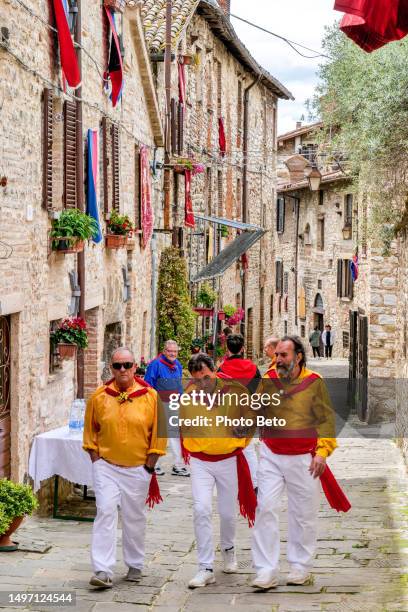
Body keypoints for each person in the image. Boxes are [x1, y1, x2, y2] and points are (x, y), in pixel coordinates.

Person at [251, 336, 350, 590]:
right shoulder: (269, 379)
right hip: (271, 454)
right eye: (278, 355)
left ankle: (300, 567)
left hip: (304, 458)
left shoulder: (313, 383)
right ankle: (266, 570)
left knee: (303, 514)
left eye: (284, 355)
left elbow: (326, 420)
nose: (278, 359)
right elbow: (256, 409)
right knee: (265, 507)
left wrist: (322, 452)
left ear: (298, 357)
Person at [83, 347, 167, 589]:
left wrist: (148, 467)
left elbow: (159, 434)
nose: (122, 370)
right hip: (106, 466)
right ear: (111, 368)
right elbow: (90, 432)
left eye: (127, 365)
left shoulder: (150, 396)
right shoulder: (99, 397)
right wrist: (96, 460)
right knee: (105, 512)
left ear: (134, 368)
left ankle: (135, 563)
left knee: (134, 517)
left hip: (137, 468)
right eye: (117, 365)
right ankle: (102, 569)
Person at [181, 353, 257, 589]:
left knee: (227, 512)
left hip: (228, 459)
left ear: (214, 371)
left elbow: (252, 419)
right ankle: (205, 567)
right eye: (197, 379)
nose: (202, 383)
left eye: (205, 377)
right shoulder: (189, 395)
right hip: (200, 461)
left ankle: (229, 550)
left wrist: (242, 433)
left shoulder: (236, 391)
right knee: (201, 508)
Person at [217, 333, 260, 488]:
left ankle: (231, 482)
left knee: (228, 448)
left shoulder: (222, 369)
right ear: (243, 349)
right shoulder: (253, 368)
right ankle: (254, 483)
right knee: (248, 449)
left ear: (227, 349)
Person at [144, 340, 188, 477]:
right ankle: (155, 465)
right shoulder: (155, 365)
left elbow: (179, 385)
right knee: (158, 435)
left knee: (175, 435)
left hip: (174, 405)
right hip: (159, 404)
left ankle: (178, 465)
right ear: (164, 351)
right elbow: (148, 385)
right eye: (170, 351)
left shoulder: (178, 365)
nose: (173, 354)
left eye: (175, 352)